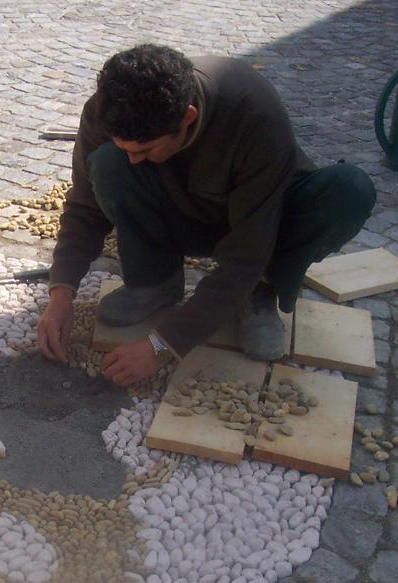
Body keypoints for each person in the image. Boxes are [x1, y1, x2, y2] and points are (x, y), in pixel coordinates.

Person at [37, 44, 376, 385]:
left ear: (187, 117)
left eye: (146, 149)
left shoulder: (254, 113)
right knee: (110, 165)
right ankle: (154, 280)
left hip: (260, 221)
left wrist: (162, 345)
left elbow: (246, 253)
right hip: (184, 211)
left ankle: (260, 289)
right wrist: (62, 292)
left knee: (350, 191)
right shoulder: (106, 110)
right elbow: (84, 204)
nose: (134, 159)